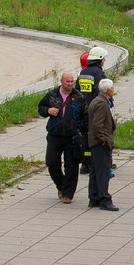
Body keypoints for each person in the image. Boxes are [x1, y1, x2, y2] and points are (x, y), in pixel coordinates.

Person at [37, 72, 88, 204]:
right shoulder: (52, 95)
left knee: (71, 166)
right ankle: (61, 185)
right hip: (55, 136)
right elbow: (41, 108)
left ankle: (68, 194)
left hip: (71, 137)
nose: (70, 84)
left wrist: (79, 129)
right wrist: (48, 111)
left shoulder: (79, 96)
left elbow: (85, 115)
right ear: (61, 81)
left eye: (72, 81)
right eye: (67, 81)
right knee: (52, 164)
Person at [87, 79, 119, 211]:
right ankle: (104, 199)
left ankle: (94, 198)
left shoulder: (98, 100)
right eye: (112, 88)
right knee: (103, 172)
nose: (114, 90)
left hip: (95, 142)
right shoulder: (101, 103)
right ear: (108, 90)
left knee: (95, 171)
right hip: (100, 143)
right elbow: (97, 125)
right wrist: (104, 140)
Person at [77, 46, 108, 174]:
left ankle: (85, 164)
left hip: (83, 110)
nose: (105, 61)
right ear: (99, 59)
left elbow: (77, 91)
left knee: (85, 137)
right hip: (95, 111)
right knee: (95, 137)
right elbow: (100, 92)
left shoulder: (83, 73)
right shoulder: (98, 73)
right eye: (104, 59)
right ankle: (93, 164)